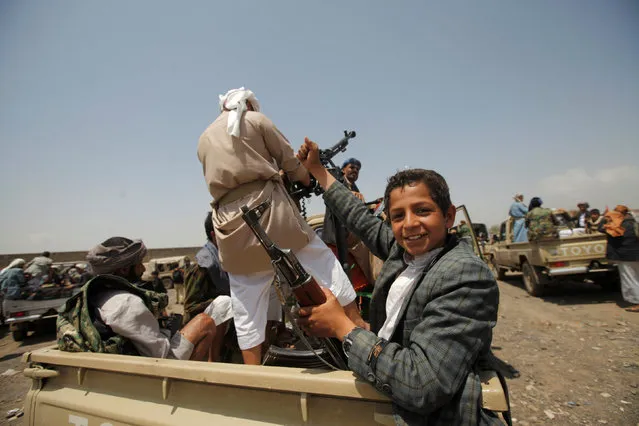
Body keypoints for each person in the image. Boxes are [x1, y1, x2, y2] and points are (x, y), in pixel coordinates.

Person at [295, 139, 504, 425]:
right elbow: (359, 218)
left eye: (422, 211)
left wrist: (344, 328)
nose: (409, 224)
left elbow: (423, 385)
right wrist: (318, 171)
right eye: (397, 216)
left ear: (449, 216)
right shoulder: (406, 249)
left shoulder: (465, 276)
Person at [196, 87, 361, 365]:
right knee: (324, 262)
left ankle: (253, 372)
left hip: (228, 223)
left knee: (246, 301)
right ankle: (358, 327)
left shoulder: (203, 139)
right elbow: (288, 161)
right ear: (248, 104)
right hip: (268, 210)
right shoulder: (256, 121)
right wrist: (306, 179)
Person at [57, 237, 232, 361]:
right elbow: (161, 353)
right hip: (159, 364)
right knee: (205, 322)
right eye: (139, 264)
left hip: (136, 357)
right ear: (124, 270)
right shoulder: (126, 303)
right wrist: (167, 331)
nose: (142, 269)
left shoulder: (97, 295)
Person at [322, 157, 376, 289]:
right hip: (337, 233)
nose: (355, 171)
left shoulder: (355, 188)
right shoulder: (337, 181)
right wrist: (349, 195)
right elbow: (329, 193)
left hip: (349, 231)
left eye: (357, 169)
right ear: (343, 169)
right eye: (352, 167)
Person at [599, 205, 639, 312]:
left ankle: (637, 302)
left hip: (626, 257)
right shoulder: (634, 222)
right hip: (636, 254)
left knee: (630, 279)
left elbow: (601, 228)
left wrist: (605, 217)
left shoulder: (616, 227)